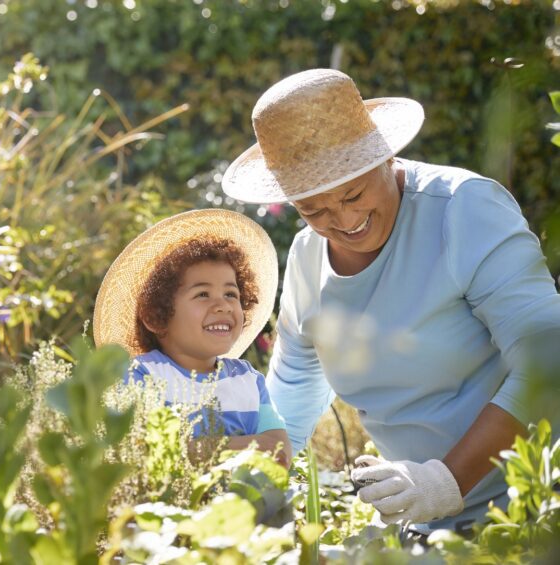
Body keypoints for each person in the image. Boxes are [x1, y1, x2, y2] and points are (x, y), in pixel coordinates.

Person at [221, 68, 560, 535]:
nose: (344, 220)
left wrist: (443, 482)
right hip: (426, 523)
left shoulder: (463, 211)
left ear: (384, 155)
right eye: (313, 210)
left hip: (538, 506)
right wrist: (254, 488)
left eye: (354, 193)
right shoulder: (306, 258)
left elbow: (548, 359)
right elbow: (296, 385)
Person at [93, 209, 292, 467]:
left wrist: (197, 448)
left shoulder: (248, 380)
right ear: (156, 316)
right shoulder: (141, 376)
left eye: (231, 294)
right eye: (202, 295)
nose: (223, 306)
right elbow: (148, 454)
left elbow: (280, 451)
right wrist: (250, 446)